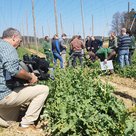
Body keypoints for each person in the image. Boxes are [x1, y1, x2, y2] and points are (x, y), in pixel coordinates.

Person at [0, 28, 49, 131]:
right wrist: (31, 77)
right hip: (3, 95)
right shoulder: (8, 48)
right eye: (20, 40)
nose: (20, 44)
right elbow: (14, 70)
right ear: (14, 37)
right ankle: (27, 124)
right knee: (43, 89)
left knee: (10, 121)